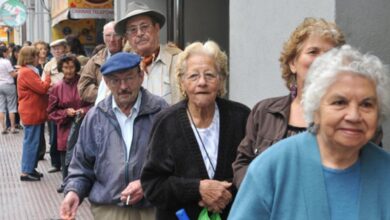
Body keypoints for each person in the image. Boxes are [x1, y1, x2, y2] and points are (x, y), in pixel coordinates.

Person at [228, 45, 390, 219]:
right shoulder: (271, 168)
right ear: (316, 109)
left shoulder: (385, 170)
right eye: (339, 102)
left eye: (366, 104)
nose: (354, 116)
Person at [141, 41, 250, 220]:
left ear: (221, 79)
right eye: (193, 76)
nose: (202, 82)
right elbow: (153, 185)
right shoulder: (166, 122)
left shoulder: (241, 117)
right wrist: (198, 189)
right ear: (182, 82)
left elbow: (254, 174)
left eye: (209, 75)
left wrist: (221, 193)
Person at [232, 17, 346, 187]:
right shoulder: (264, 112)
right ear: (293, 63)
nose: (322, 60)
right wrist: (262, 193)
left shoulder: (351, 117)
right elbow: (242, 165)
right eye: (313, 52)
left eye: (329, 54)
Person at [60, 52, 168, 220]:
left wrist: (146, 184)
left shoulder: (161, 111)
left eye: (129, 78)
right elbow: (81, 166)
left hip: (152, 208)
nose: (123, 86)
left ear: (141, 76)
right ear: (106, 82)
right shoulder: (95, 117)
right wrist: (74, 191)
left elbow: (174, 163)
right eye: (115, 80)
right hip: (109, 210)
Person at [115, 1, 182, 104]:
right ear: (127, 37)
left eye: (144, 27)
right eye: (133, 29)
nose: (139, 33)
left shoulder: (179, 61)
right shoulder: (119, 67)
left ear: (157, 28)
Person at [47, 54, 91, 193]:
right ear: (61, 68)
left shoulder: (83, 84)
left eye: (71, 67)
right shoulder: (57, 87)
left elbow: (93, 104)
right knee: (66, 155)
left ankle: (85, 183)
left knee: (84, 156)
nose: (69, 70)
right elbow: (51, 111)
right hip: (65, 127)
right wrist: (65, 112)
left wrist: (83, 110)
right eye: (65, 67)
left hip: (84, 126)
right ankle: (66, 182)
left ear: (76, 68)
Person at [17, 46, 51, 181]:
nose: (39, 57)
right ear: (31, 57)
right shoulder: (27, 72)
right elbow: (42, 88)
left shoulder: (28, 71)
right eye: (37, 55)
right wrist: (48, 77)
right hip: (31, 111)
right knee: (31, 142)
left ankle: (31, 168)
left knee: (34, 141)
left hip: (33, 110)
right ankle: (26, 171)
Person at [77, 21, 123, 105]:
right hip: (104, 109)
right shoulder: (96, 60)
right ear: (103, 37)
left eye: (116, 35)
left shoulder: (131, 55)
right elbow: (83, 88)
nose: (112, 39)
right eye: (108, 35)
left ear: (122, 36)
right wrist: (105, 93)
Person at [43, 38, 69, 174]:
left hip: (70, 102)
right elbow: (44, 84)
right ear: (52, 51)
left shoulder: (69, 62)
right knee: (54, 135)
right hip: (54, 103)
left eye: (60, 48)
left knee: (68, 133)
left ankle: (68, 162)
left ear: (65, 48)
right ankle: (55, 163)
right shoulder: (48, 66)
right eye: (55, 49)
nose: (58, 51)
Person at [33, 40, 50, 160]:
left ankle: (52, 148)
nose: (42, 51)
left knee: (52, 124)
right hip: (39, 98)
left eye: (44, 49)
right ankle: (40, 151)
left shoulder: (50, 63)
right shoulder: (34, 66)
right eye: (40, 49)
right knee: (39, 125)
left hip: (51, 97)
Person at [0, 46, 18, 134]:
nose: (9, 54)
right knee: (11, 107)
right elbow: (13, 75)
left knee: (1, 107)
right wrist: (19, 71)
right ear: (4, 53)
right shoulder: (6, 62)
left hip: (0, 85)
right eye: (7, 52)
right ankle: (13, 128)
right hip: (9, 85)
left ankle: (3, 128)